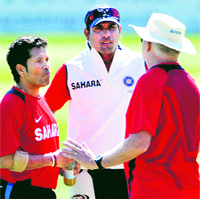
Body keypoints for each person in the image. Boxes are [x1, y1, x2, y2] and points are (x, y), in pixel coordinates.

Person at [62, 13, 200, 199]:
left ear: (148, 44)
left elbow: (139, 143)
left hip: (153, 189)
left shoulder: (150, 81)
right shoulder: (190, 84)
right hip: (190, 187)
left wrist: (96, 162)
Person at [44, 4, 146, 199]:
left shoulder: (140, 64)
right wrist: (56, 156)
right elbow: (44, 114)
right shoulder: (71, 69)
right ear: (86, 33)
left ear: (120, 31)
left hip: (131, 165)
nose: (106, 34)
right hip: (84, 169)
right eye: (99, 29)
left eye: (111, 28)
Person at [0, 36, 77, 199]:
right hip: (20, 191)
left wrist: (60, 166)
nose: (47, 66)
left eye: (47, 59)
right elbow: (4, 160)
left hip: (43, 191)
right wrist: (54, 159)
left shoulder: (41, 100)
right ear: (21, 69)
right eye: (39, 61)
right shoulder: (11, 104)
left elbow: (39, 150)